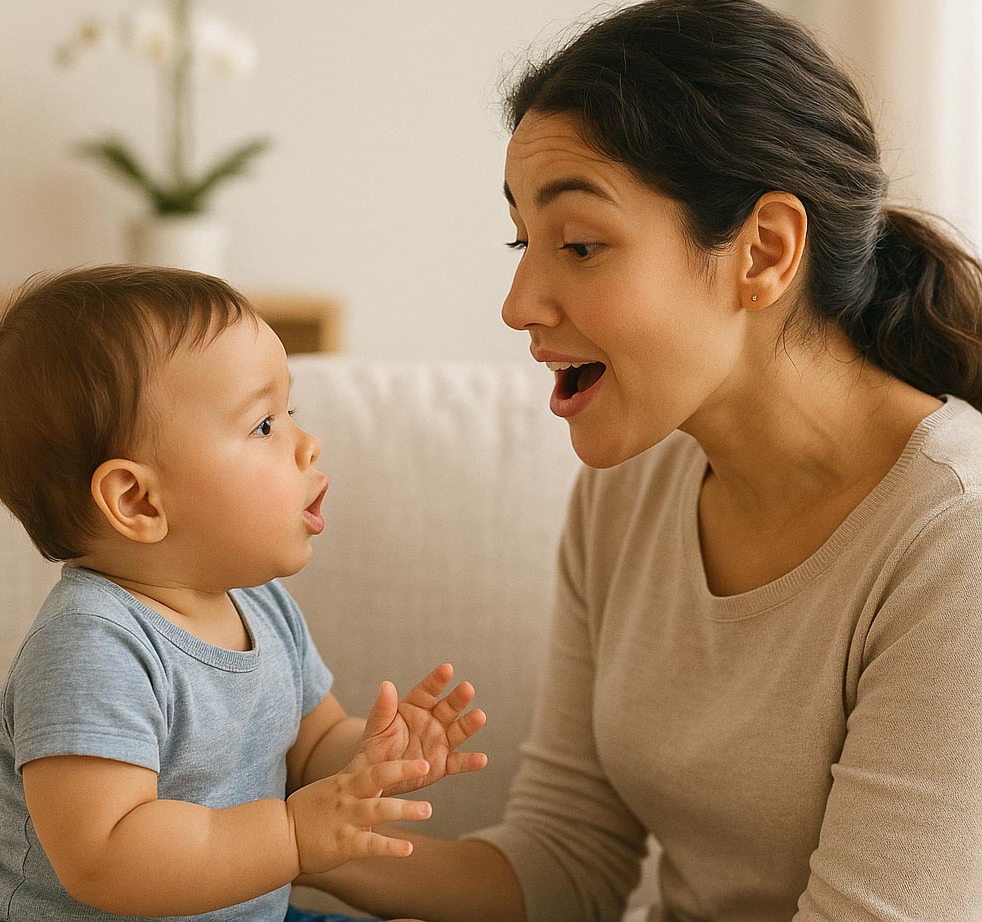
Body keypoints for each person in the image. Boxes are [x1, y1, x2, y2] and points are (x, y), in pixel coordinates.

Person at [300, 1, 982, 920]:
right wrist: (265, 843)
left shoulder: (955, 545)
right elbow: (566, 860)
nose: (518, 303)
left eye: (579, 244)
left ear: (765, 251)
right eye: (522, 244)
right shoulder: (632, 485)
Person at [0, 265, 487, 922]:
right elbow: (106, 855)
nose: (306, 442)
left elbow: (311, 748)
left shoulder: (262, 607)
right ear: (138, 500)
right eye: (264, 426)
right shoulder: (90, 647)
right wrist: (293, 835)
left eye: (288, 412)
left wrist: (372, 757)